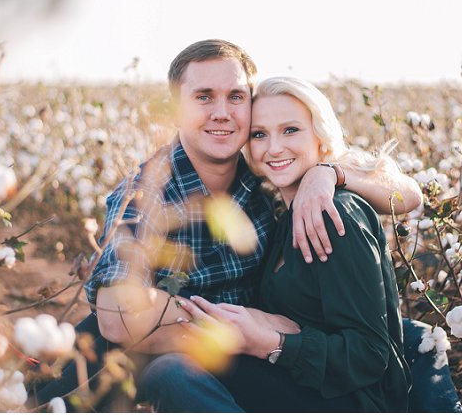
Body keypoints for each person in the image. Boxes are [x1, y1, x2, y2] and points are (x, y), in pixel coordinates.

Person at [31, 39, 462, 412]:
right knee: (108, 349)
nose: (222, 112)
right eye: (204, 97)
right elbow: (119, 318)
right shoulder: (149, 193)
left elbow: (408, 193)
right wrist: (259, 327)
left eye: (236, 97)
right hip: (206, 345)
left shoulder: (270, 171)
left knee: (414, 337)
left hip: (278, 355)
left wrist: (330, 174)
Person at [175, 76, 411, 411]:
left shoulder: (332, 214)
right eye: (259, 134)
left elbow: (370, 355)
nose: (274, 148)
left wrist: (270, 343)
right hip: (309, 381)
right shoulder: (281, 213)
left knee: (174, 372)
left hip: (352, 400)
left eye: (290, 130)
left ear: (321, 138)